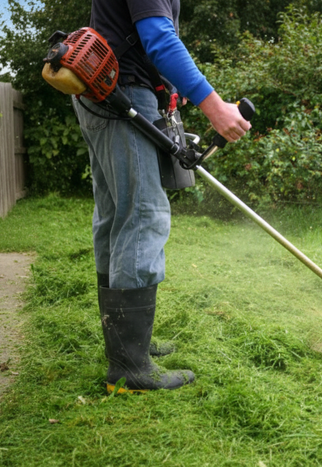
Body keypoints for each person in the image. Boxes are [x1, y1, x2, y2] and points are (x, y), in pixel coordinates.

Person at [73, 0, 251, 393]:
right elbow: (158, 38)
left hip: (104, 89)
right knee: (142, 215)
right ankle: (130, 366)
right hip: (121, 94)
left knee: (115, 214)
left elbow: (139, 34)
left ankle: (128, 342)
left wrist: (170, 87)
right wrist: (213, 105)